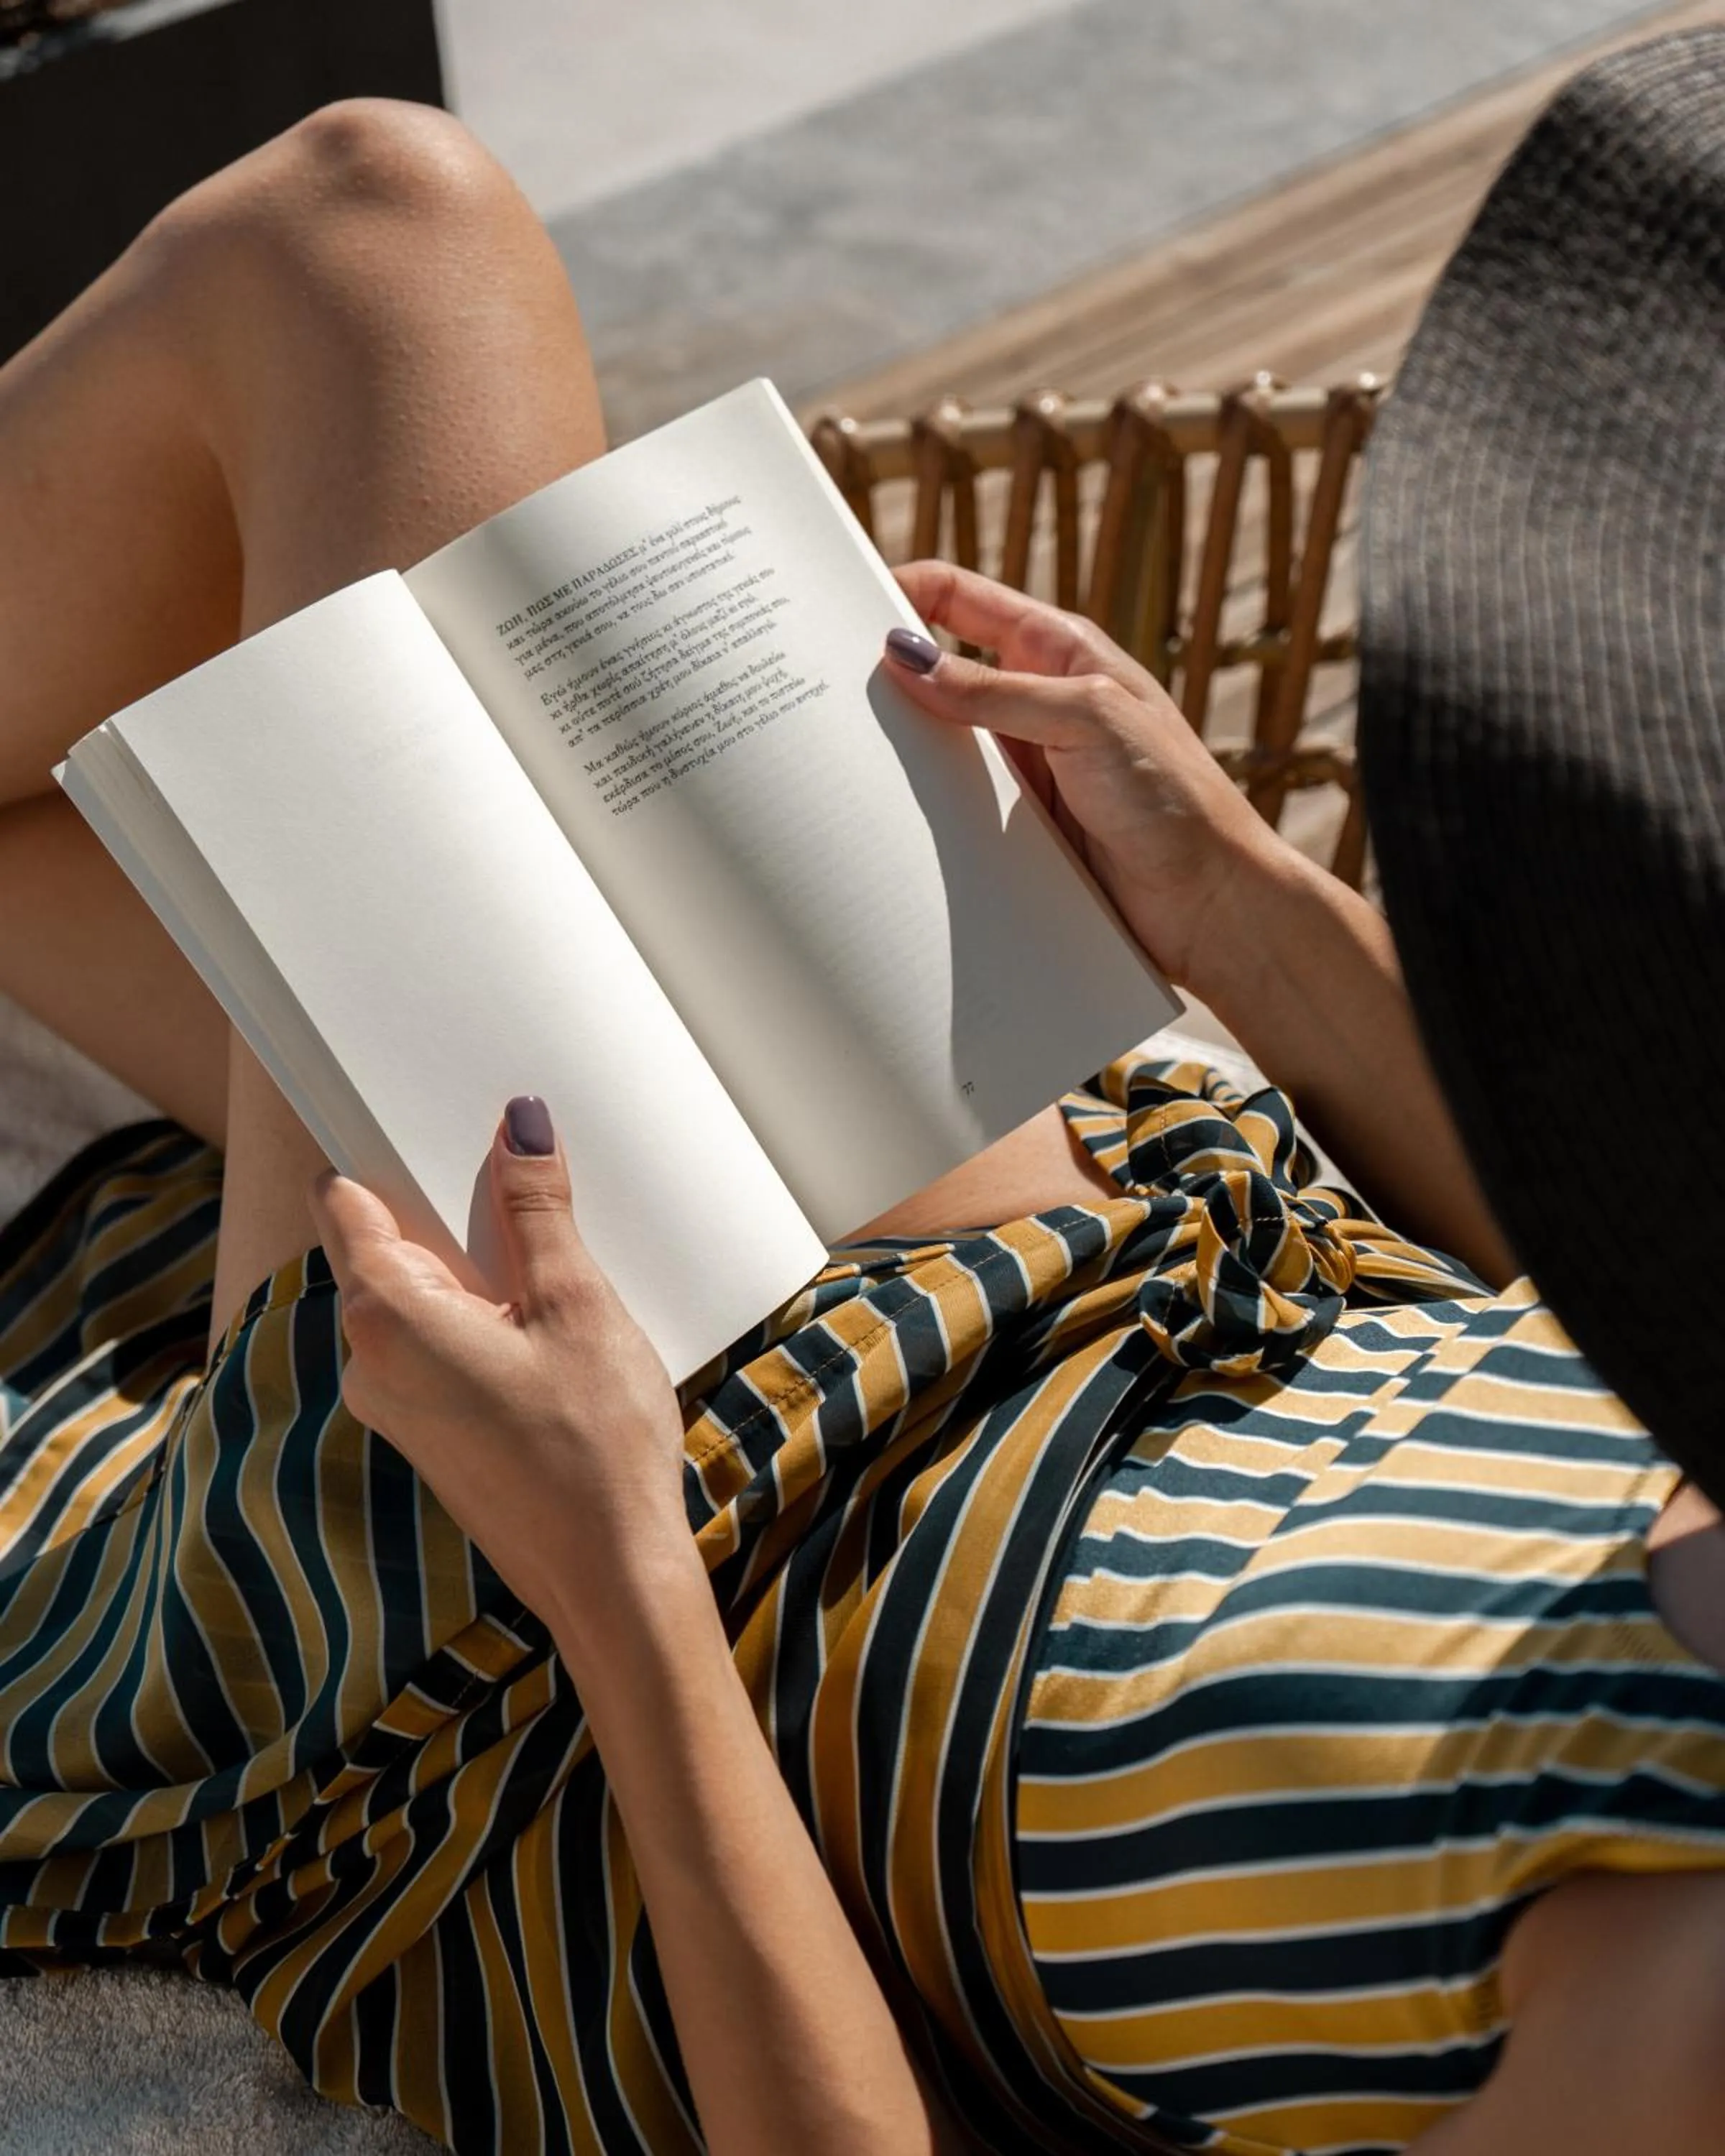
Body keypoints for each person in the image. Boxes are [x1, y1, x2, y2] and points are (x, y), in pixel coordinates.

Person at [2, 29, 1723, 2156]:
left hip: (679, 1577)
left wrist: (611, 1561)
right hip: (1124, 1234)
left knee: (370, 244)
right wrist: (1241, 894)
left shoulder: (1689, 2007)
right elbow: (1616, 1232)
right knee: (297, 435)